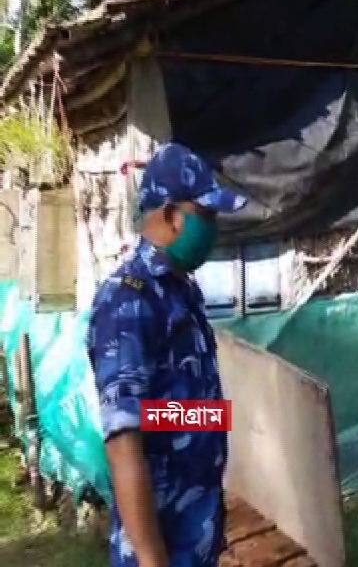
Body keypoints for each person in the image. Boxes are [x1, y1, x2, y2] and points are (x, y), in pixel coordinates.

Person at [87, 143, 248, 567]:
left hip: (196, 532)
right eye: (206, 215)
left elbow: (163, 411)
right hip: (160, 548)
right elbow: (124, 442)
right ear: (171, 215)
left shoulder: (182, 290)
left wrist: (215, 418)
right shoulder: (127, 301)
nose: (213, 228)